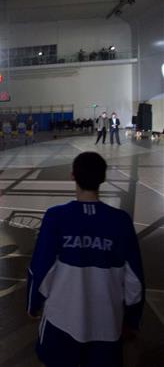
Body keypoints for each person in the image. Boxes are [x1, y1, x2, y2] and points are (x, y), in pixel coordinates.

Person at [27, 152, 144, 367]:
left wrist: (33, 304)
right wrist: (131, 320)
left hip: (61, 323)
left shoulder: (55, 217)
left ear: (73, 176)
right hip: (107, 326)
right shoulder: (121, 221)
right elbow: (135, 281)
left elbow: (40, 270)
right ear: (102, 178)